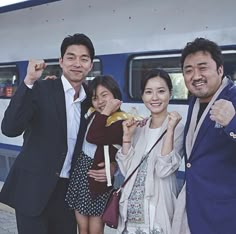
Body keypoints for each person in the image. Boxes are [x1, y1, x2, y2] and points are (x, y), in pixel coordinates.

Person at [0, 33, 108, 234]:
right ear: (61, 62)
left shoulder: (90, 102)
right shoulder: (41, 89)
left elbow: (100, 142)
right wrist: (29, 81)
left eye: (84, 59)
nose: (77, 63)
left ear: (91, 65)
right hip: (33, 190)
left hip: (68, 193)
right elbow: (9, 128)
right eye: (71, 57)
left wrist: (112, 168)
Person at [172, 38, 236, 234]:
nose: (195, 76)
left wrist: (233, 123)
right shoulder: (196, 100)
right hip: (195, 206)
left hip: (225, 214)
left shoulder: (233, 98)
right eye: (188, 70)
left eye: (202, 68)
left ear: (220, 70)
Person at [116, 68, 184, 234]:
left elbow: (163, 169)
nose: (154, 97)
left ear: (170, 93)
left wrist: (170, 129)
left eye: (161, 91)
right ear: (142, 95)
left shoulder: (178, 128)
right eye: (148, 92)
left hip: (157, 212)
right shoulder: (139, 126)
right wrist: (126, 137)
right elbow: (125, 170)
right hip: (131, 213)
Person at [65, 75, 125, 234]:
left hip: (98, 182)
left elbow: (94, 136)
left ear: (116, 96)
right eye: (95, 98)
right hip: (81, 175)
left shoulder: (119, 122)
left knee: (96, 230)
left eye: (104, 95)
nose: (100, 101)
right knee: (82, 228)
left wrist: (105, 111)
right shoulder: (92, 114)